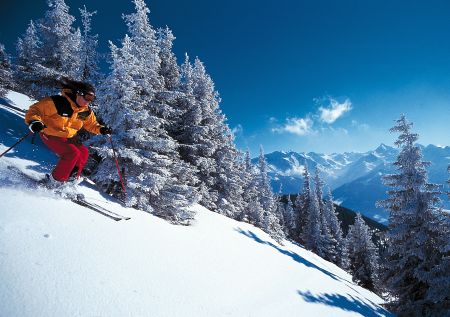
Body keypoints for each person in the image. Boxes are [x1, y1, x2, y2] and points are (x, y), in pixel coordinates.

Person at [25, 79, 111, 186]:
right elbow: (34, 110)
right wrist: (34, 121)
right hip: (50, 133)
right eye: (87, 97)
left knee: (83, 152)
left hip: (68, 137)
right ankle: (55, 182)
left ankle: (70, 180)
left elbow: (92, 124)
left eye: (91, 99)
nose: (88, 102)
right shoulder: (57, 102)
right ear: (78, 94)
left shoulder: (85, 111)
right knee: (72, 153)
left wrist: (101, 129)